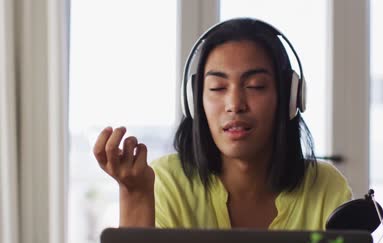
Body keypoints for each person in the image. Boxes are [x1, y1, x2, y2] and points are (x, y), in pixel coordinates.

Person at [93, 18, 352, 230]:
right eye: (217, 87)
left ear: (290, 97)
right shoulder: (166, 182)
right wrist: (135, 194)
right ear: (195, 102)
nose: (235, 104)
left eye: (255, 86)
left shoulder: (326, 187)